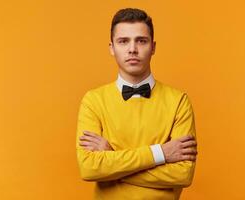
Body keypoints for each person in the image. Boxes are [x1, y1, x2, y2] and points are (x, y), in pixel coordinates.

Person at [76, 8, 198, 200]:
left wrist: (113, 162)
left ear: (153, 47)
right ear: (111, 48)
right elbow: (89, 169)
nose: (132, 49)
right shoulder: (93, 101)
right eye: (123, 41)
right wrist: (161, 154)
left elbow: (183, 174)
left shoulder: (178, 101)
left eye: (141, 41)